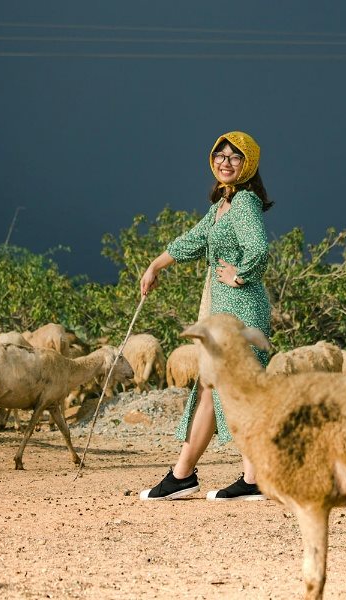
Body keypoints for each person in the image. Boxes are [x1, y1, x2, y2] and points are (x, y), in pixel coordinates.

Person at [138, 131, 274, 501]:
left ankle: (246, 477)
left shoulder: (245, 202)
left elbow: (259, 249)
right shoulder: (221, 208)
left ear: (248, 164)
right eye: (220, 155)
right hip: (225, 309)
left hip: (241, 308)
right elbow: (191, 241)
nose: (225, 162)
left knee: (230, 387)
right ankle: (187, 475)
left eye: (234, 157)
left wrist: (240, 274)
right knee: (213, 387)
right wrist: (155, 266)